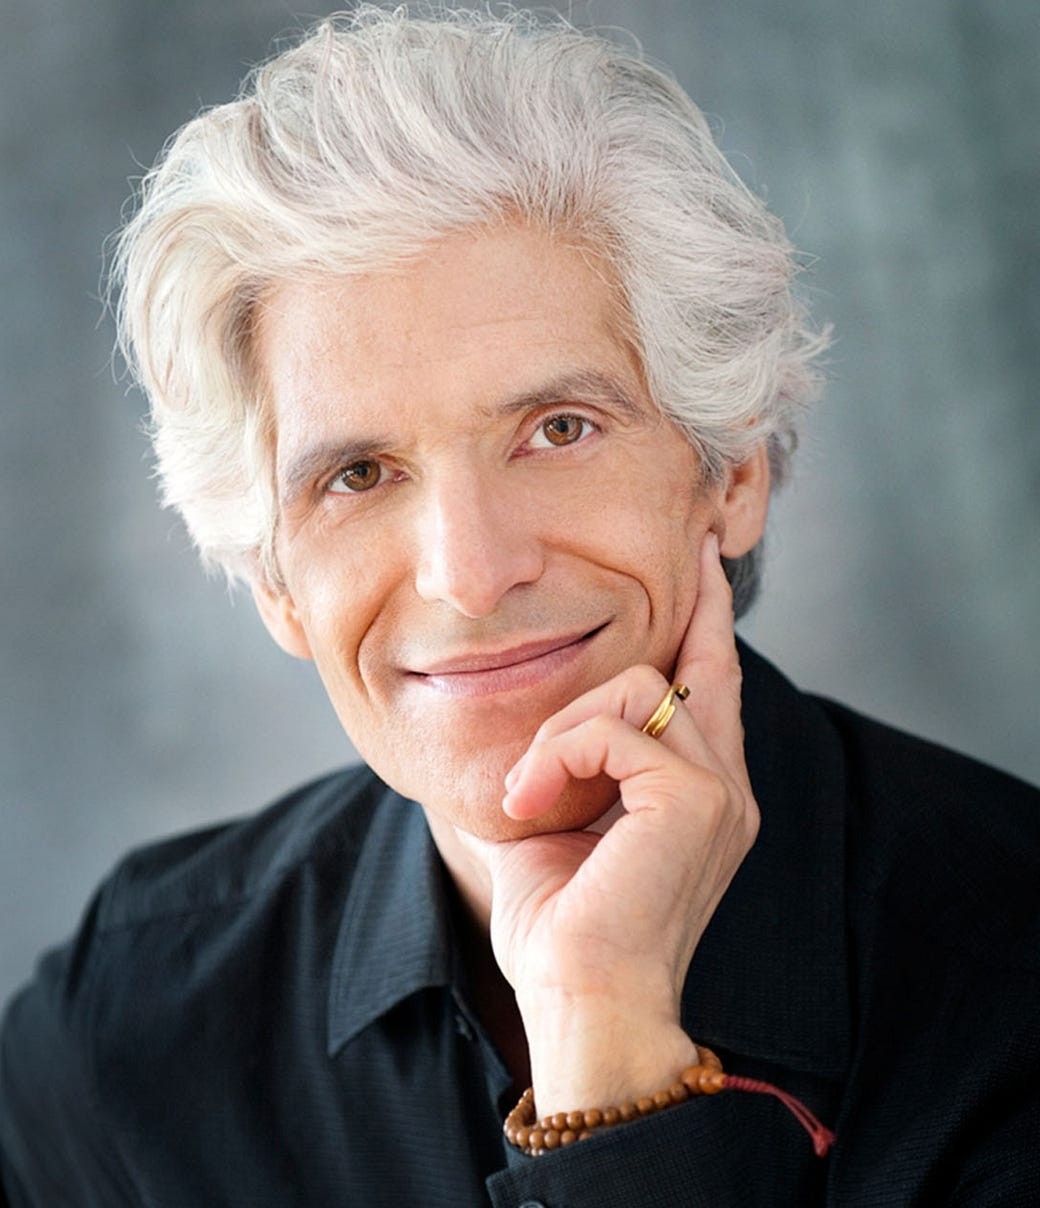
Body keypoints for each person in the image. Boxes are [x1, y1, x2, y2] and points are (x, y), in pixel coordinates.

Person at [1, 6, 1037, 1206]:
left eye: (557, 429)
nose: (470, 570)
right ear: (275, 581)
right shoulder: (125, 1029)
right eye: (358, 474)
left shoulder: (1010, 978)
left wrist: (606, 1038)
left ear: (730, 470)